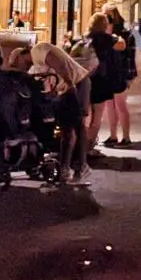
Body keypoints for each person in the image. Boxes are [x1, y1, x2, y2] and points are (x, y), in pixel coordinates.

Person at [30, 41, 92, 185]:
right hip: (68, 86)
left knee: (76, 124)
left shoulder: (37, 51)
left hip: (77, 82)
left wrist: (70, 85)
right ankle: (66, 168)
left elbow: (60, 65)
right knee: (67, 128)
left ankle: (81, 167)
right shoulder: (35, 65)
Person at [86, 12, 126, 155]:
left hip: (84, 80)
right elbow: (122, 45)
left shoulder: (85, 38)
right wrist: (118, 36)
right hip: (100, 81)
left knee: (86, 115)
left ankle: (81, 145)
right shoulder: (107, 39)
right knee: (97, 117)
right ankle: (88, 148)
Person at [102, 5, 136, 147]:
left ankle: (126, 137)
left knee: (120, 105)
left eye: (107, 16)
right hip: (108, 73)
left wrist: (129, 76)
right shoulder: (104, 35)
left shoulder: (125, 35)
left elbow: (130, 56)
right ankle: (113, 135)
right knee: (110, 105)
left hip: (120, 73)